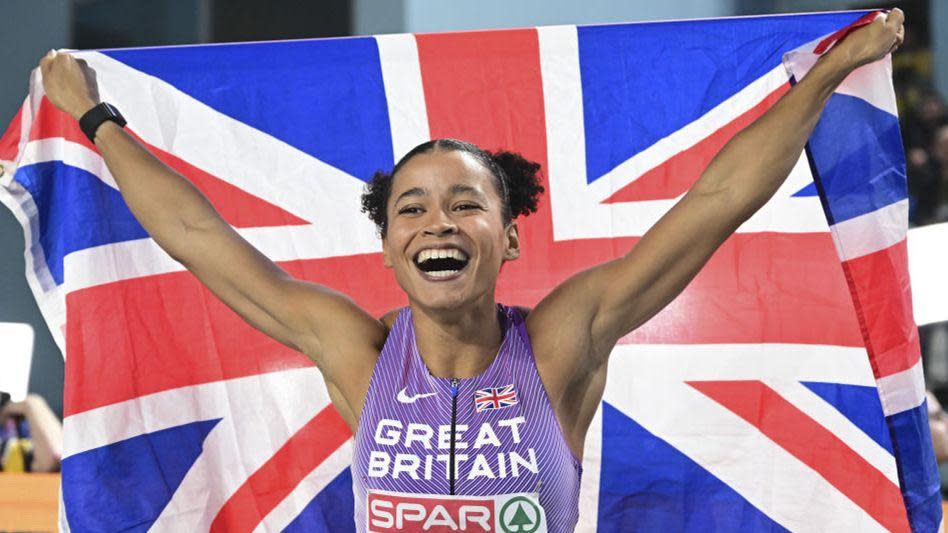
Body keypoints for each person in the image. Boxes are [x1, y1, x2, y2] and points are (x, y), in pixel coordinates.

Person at [37, 10, 904, 531]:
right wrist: (97, 118)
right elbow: (197, 233)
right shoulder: (359, 358)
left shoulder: (564, 344)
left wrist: (826, 75)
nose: (436, 220)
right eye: (411, 207)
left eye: (464, 202)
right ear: (387, 249)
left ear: (509, 238)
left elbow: (714, 201)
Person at [0, 393, 63, 473]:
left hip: (40, 474)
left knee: (33, 401)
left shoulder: (21, 423)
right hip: (16, 477)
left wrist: (27, 405)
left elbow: (55, 457)